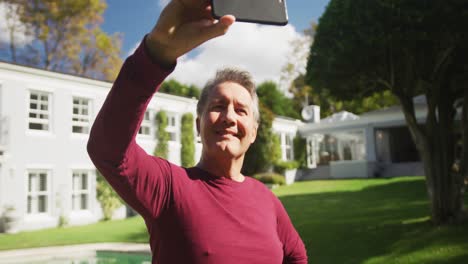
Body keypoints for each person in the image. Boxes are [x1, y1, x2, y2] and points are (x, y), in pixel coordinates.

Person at [87, 0, 308, 263]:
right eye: (217, 106)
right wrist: (156, 54)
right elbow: (108, 150)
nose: (228, 117)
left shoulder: (267, 200)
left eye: (241, 110)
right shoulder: (170, 187)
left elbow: (297, 256)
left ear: (253, 132)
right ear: (198, 125)